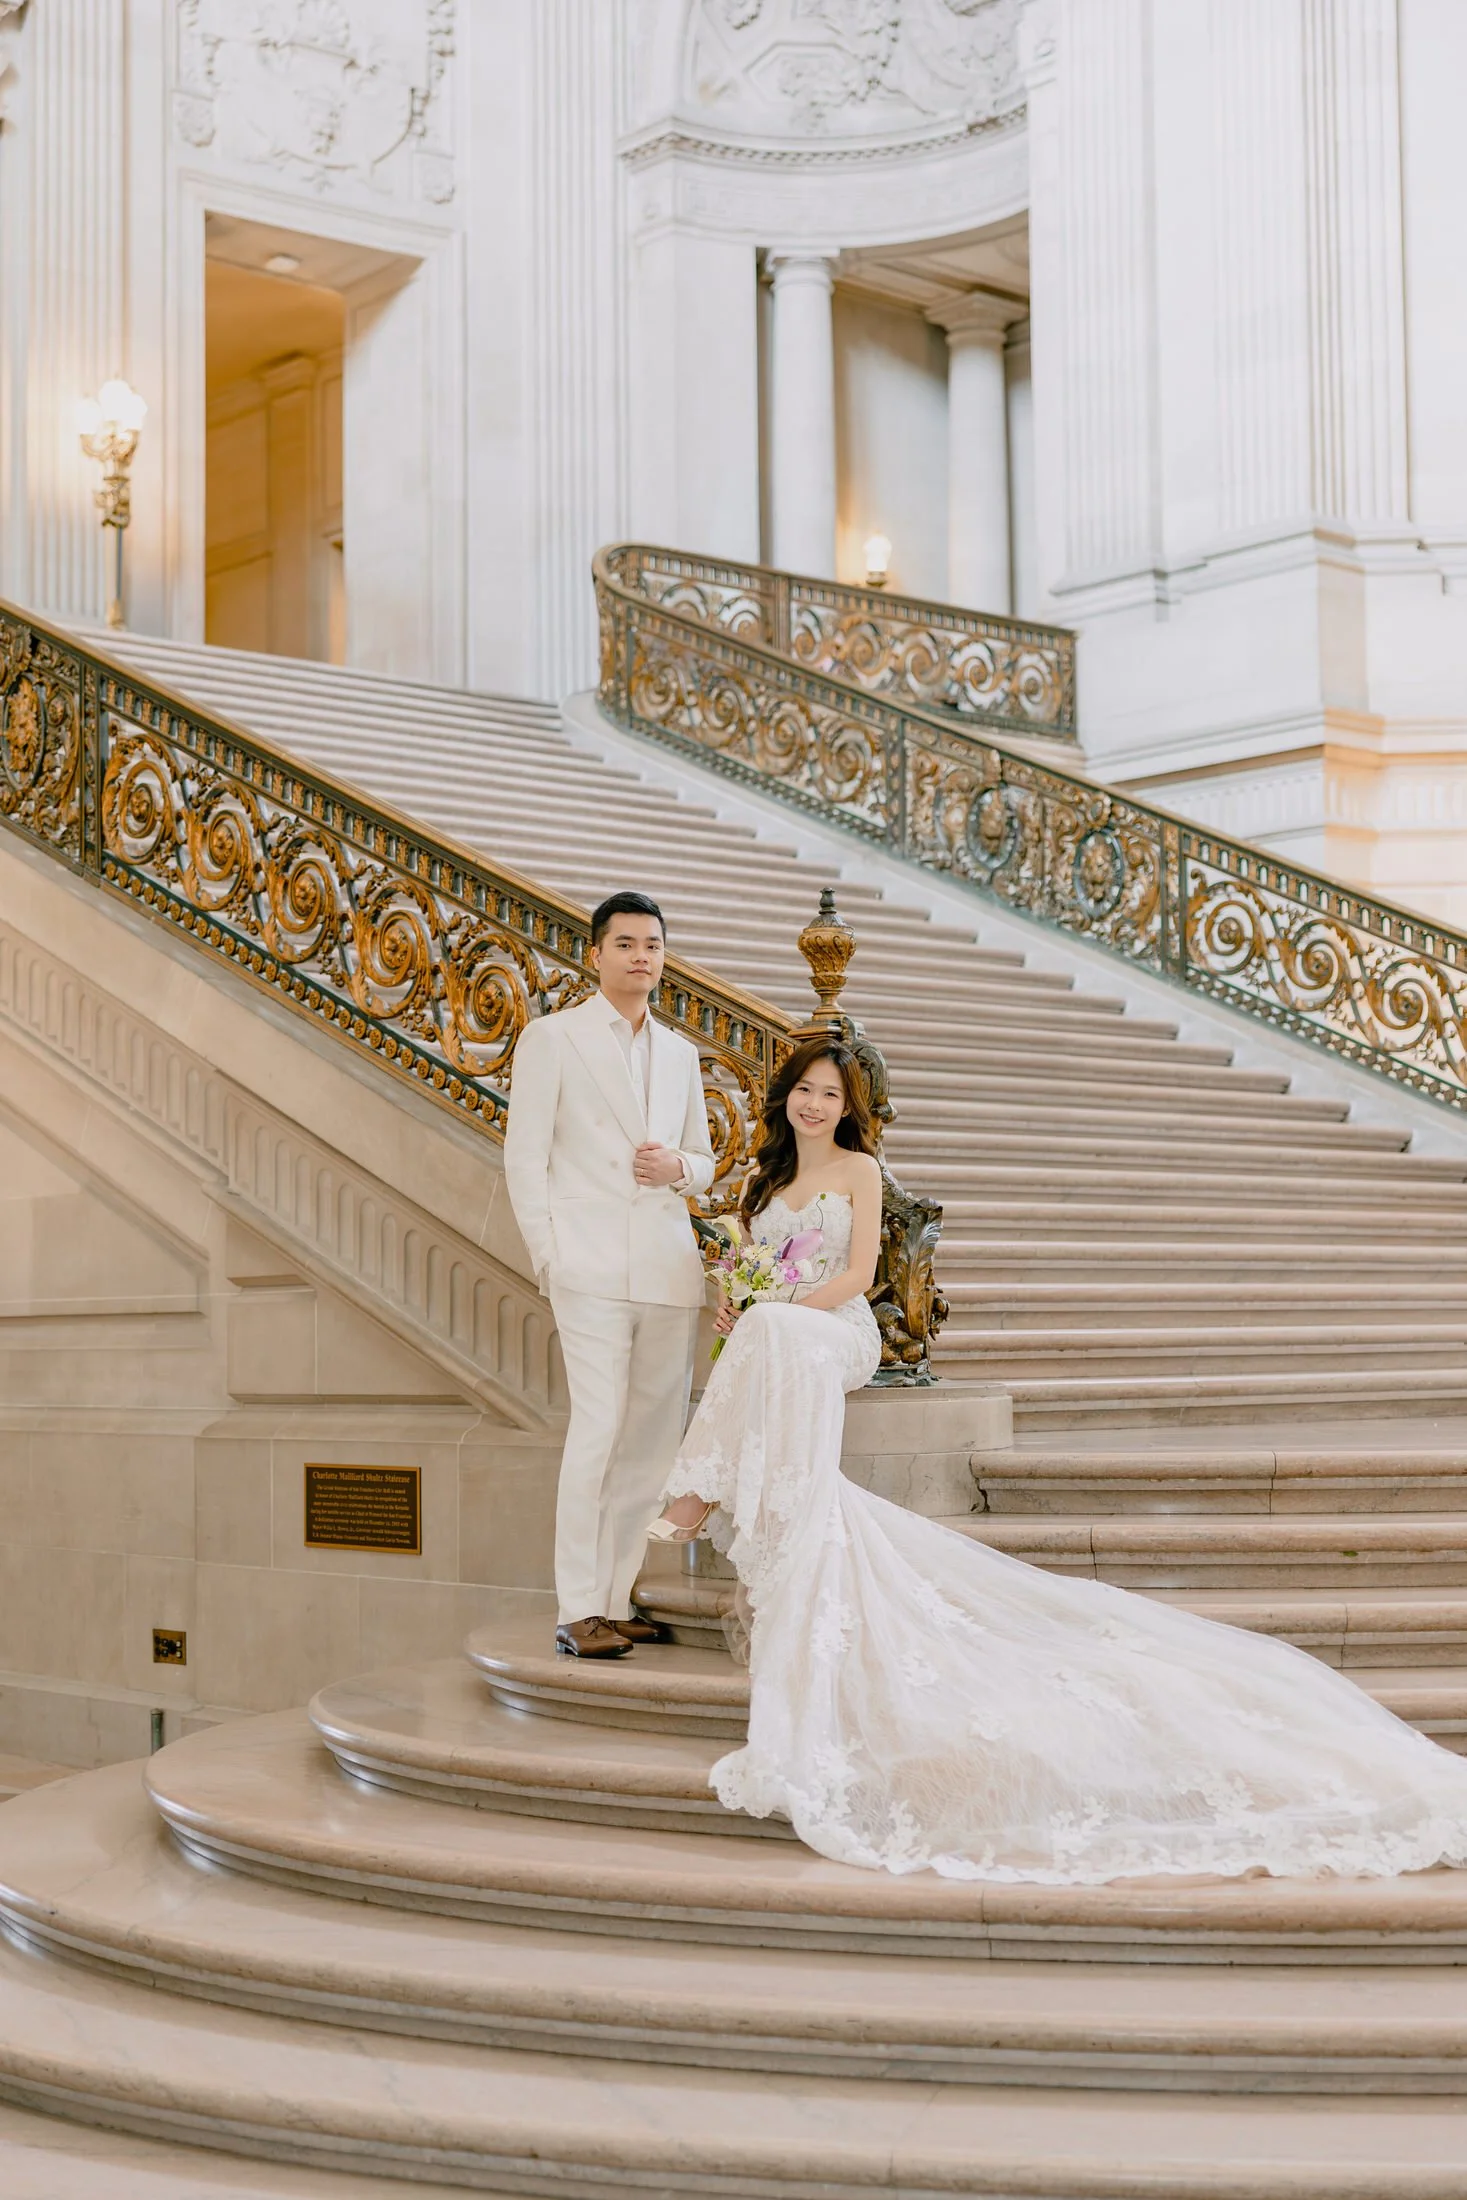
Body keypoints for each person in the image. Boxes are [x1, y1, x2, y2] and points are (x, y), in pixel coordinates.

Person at [653, 1034, 1467, 1885]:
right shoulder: (765, 1181)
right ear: (785, 1096)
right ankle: (733, 1494)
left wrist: (773, 1306)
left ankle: (700, 1491)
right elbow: (741, 1270)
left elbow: (858, 1277)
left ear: (849, 1108)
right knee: (761, 1335)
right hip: (783, 1329)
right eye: (804, 1091)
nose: (814, 1104)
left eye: (830, 1094)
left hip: (835, 1328)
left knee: (774, 1332)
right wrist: (738, 1300)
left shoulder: (857, 1171)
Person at [505, 891, 714, 1658]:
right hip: (587, 1267)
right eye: (624, 944)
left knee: (652, 1443)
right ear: (595, 954)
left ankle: (619, 1595)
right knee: (597, 1430)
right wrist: (549, 1257)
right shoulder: (551, 1038)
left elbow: (703, 1157)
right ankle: (576, 1606)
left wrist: (679, 1167)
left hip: (664, 1266)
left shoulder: (682, 1053)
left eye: (652, 945)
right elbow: (524, 1158)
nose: (640, 957)